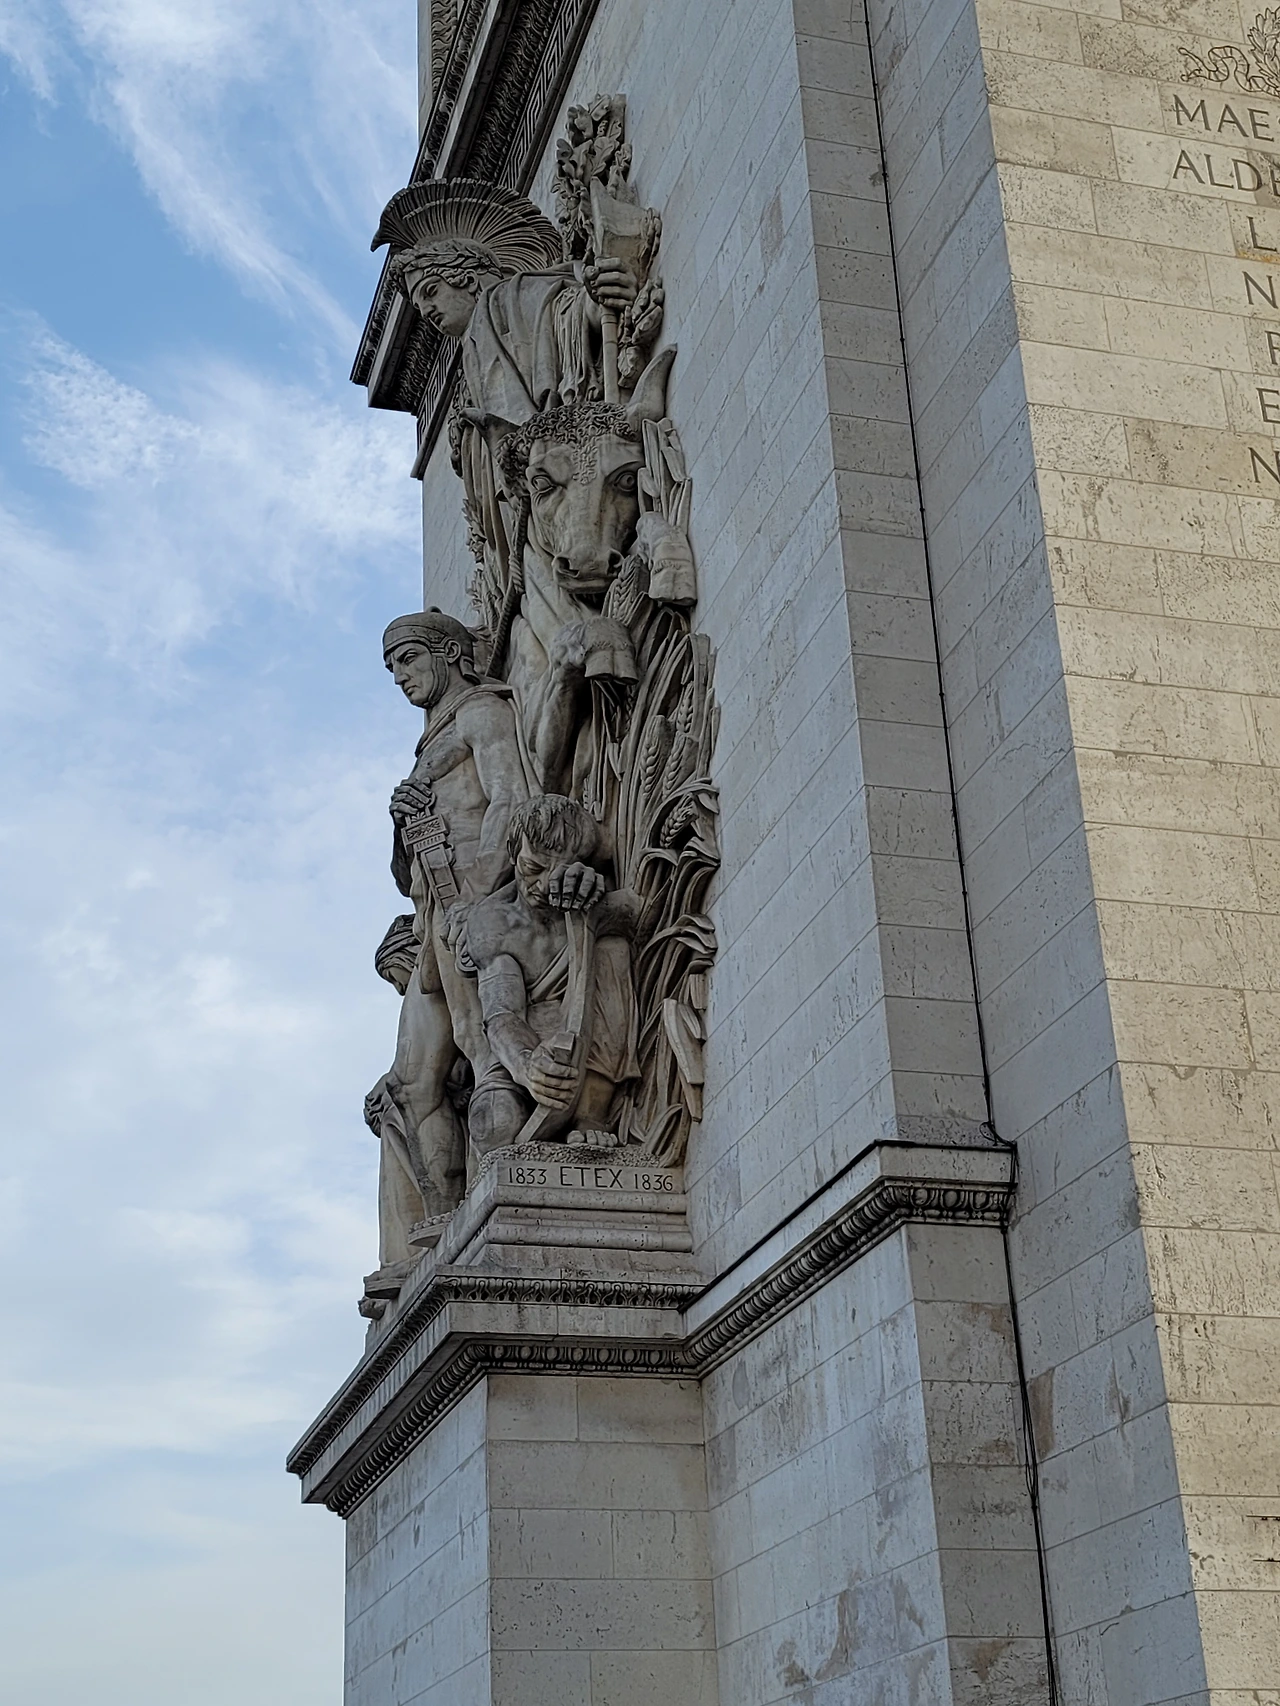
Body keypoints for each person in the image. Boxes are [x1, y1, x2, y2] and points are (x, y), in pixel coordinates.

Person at [380, 609, 529, 1240]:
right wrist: (400, 823)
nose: (400, 676)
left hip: (468, 892)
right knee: (414, 1082)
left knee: (480, 1044)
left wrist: (481, 892)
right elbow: (401, 873)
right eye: (392, 667)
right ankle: (443, 1227)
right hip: (429, 910)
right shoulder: (428, 743)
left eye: (408, 659)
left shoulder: (481, 713)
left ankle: (508, 1177)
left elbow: (510, 799)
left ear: (447, 652)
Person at [460, 794, 640, 1150]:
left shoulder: (590, 890)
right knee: (494, 1126)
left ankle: (593, 1112)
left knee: (612, 950)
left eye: (557, 872)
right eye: (533, 868)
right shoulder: (492, 923)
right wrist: (527, 1067)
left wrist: (595, 901)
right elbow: (502, 1013)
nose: (542, 885)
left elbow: (642, 912)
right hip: (522, 1048)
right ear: (514, 854)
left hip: (589, 1043)